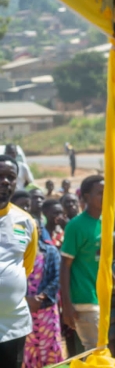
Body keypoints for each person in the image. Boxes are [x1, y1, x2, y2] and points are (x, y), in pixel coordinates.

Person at [0, 155, 38, 367]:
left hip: (13, 325)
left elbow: (26, 266)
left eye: (10, 177)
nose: (5, 181)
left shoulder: (25, 222)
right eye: (0, 176)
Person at [60, 174, 104, 352]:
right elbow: (65, 266)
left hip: (103, 298)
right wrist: (67, 304)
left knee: (102, 351)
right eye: (100, 193)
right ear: (86, 197)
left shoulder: (105, 223)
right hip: (84, 299)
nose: (105, 196)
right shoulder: (76, 226)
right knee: (95, 350)